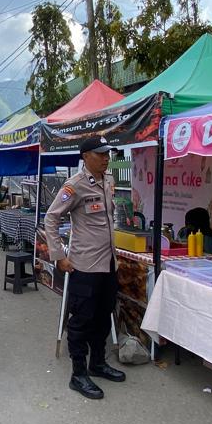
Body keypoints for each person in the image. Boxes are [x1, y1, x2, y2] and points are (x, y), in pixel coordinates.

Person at [43, 135, 125, 399]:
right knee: (81, 321)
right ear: (85, 156)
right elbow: (51, 219)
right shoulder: (75, 185)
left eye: (107, 154)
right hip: (85, 266)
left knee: (103, 317)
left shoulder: (109, 181)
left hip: (108, 264)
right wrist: (58, 255)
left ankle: (98, 363)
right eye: (100, 154)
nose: (106, 158)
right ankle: (78, 374)